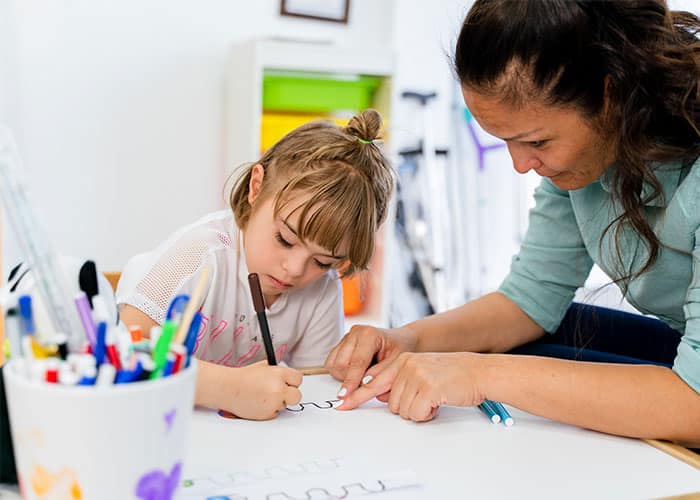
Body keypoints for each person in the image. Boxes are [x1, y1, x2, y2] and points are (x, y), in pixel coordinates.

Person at [327, 0, 700, 444]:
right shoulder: (587, 157)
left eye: (536, 140)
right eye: (505, 142)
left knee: (499, 365)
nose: (522, 165)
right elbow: (530, 300)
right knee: (528, 341)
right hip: (682, 347)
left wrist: (478, 373)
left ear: (610, 94)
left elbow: (693, 403)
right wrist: (408, 339)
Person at [117, 109, 394, 420]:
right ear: (256, 187)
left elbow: (316, 389)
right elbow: (125, 352)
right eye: (285, 239)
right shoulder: (199, 254)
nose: (295, 269)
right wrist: (226, 389)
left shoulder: (321, 289)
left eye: (323, 261)